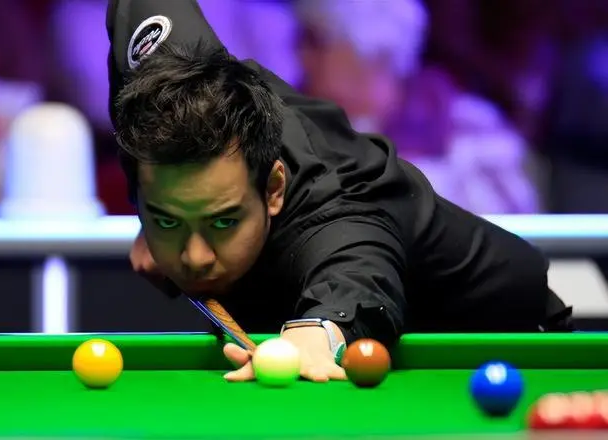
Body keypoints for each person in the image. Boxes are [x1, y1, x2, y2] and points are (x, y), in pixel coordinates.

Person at [106, 0, 573, 383]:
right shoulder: (163, 76)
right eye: (171, 220)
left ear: (273, 189)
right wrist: (159, 209)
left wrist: (315, 335)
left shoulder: (340, 204)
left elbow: (357, 277)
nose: (195, 257)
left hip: (493, 343)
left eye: (223, 221)